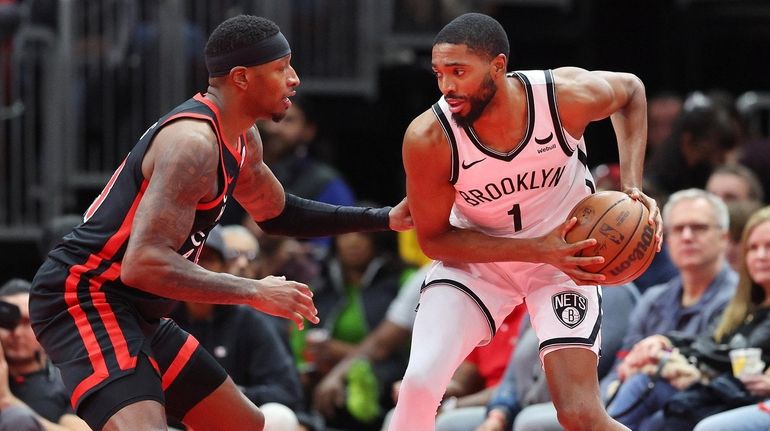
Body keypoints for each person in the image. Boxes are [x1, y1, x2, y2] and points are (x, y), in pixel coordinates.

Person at [28, 15, 410, 431]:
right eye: (282, 68)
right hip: (85, 296)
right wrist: (254, 291)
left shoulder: (243, 137)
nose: (295, 79)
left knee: (243, 425)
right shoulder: (193, 144)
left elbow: (279, 214)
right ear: (242, 78)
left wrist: (385, 218)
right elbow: (145, 263)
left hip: (136, 307)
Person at [390, 12, 661, 431]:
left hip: (568, 257)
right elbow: (436, 240)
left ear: (498, 66)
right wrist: (536, 249)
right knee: (420, 383)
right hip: (478, 260)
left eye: (458, 72)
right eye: (439, 73)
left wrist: (631, 187)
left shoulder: (562, 97)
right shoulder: (429, 137)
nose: (446, 86)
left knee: (579, 414)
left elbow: (631, 92)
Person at [606, 205, 770, 430]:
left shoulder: (727, 294)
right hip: (720, 391)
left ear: (724, 238)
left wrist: (670, 352)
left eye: (698, 228)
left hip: (730, 393)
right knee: (644, 386)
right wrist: (664, 342)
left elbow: (720, 357)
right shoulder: (742, 306)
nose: (761, 256)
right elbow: (709, 345)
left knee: (693, 423)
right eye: (753, 248)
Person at [599, 189, 737, 400]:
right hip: (630, 401)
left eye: (699, 228)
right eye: (678, 229)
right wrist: (611, 392)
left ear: (724, 238)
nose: (687, 236)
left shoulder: (739, 300)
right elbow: (621, 365)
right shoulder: (653, 298)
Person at [168, 226, 310, 431]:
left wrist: (231, 394)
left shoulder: (249, 320)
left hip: (237, 421)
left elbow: (287, 392)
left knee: (279, 417)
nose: (197, 268)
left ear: (224, 269)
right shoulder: (161, 315)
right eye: (190, 259)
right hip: (176, 424)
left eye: (207, 259)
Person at [0, 279, 90, 431]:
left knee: (16, 419)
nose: (16, 333)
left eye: (26, 321)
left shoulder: (70, 380)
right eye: (7, 322)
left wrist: (6, 399)